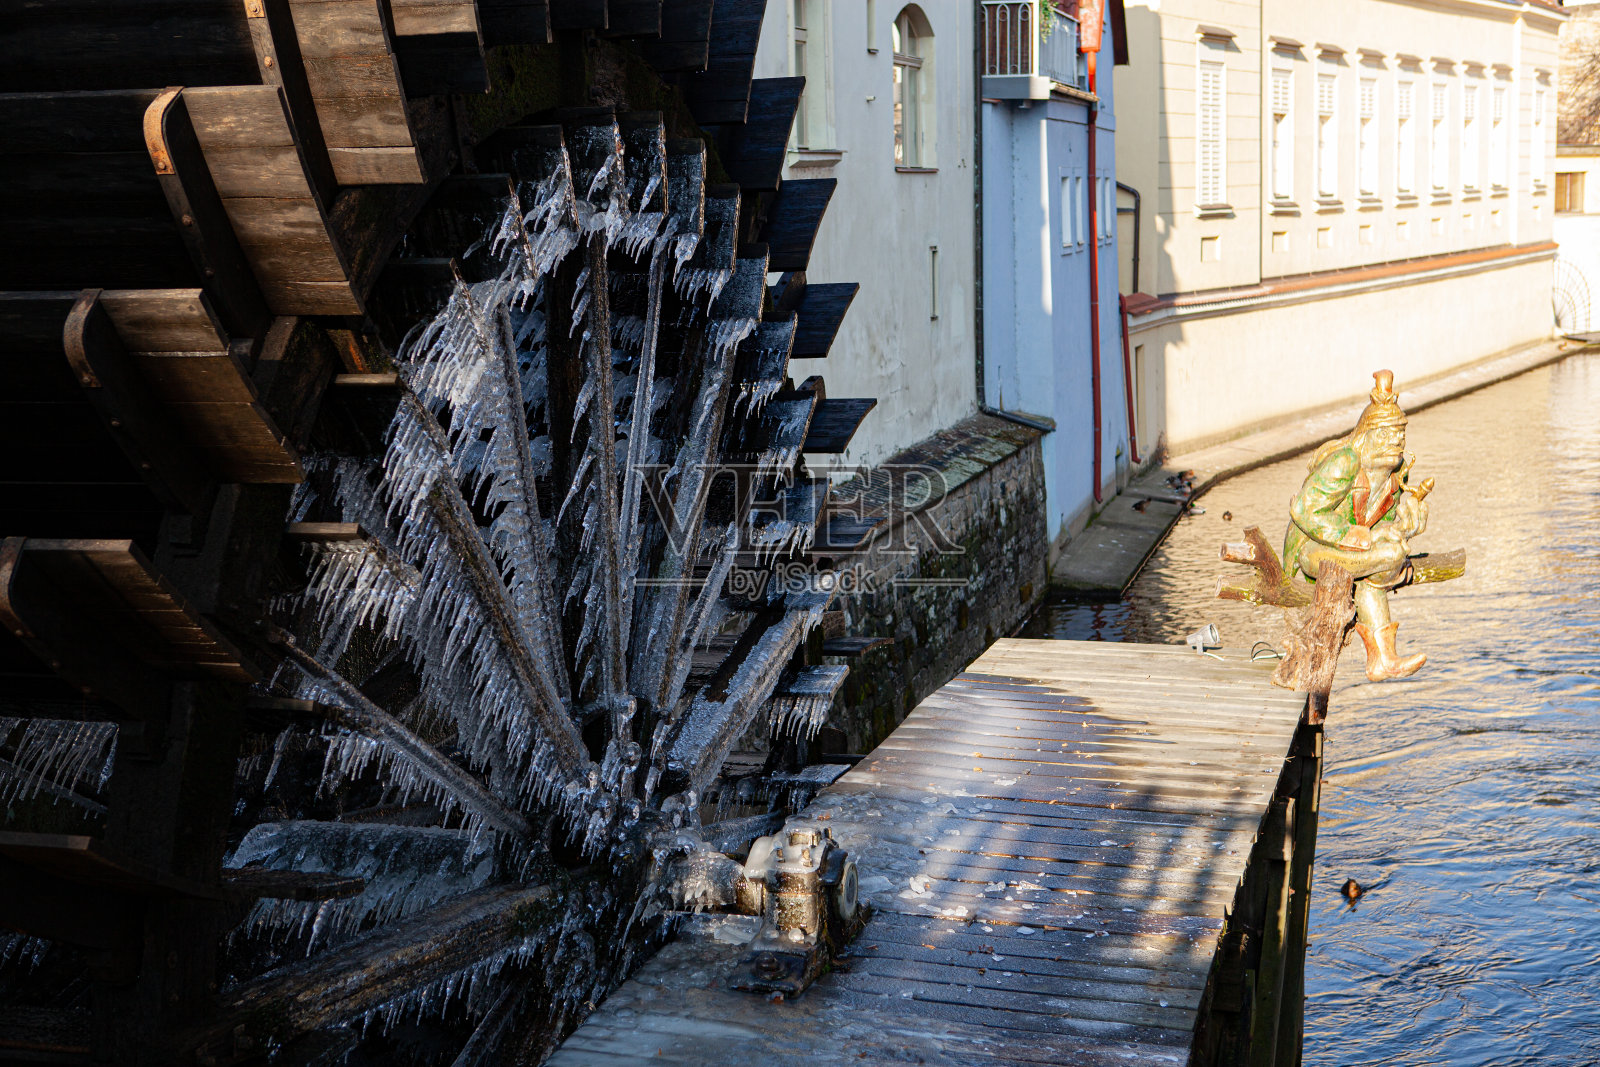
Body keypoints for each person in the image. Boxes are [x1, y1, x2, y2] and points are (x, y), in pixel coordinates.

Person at [1283, 370, 1431, 680]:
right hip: (1315, 549)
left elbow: (1379, 526)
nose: (1397, 442)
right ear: (1367, 437)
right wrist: (1351, 534)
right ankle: (1379, 658)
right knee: (1388, 558)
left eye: (1401, 435)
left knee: (1386, 558)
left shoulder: (1394, 476)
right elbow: (1303, 510)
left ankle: (1383, 659)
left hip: (1349, 553)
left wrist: (1404, 526)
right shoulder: (1347, 461)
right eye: (1388, 435)